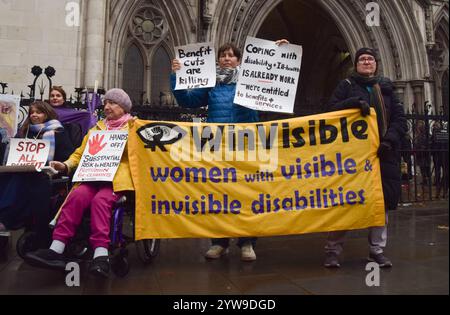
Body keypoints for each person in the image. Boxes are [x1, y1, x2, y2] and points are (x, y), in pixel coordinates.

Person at [170, 39, 289, 262]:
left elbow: (274, 77)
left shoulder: (251, 78)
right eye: (223, 55)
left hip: (246, 142)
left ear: (239, 60)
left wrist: (276, 50)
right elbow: (188, 100)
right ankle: (219, 243)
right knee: (219, 193)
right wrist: (176, 75)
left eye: (231, 55)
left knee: (247, 192)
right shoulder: (211, 83)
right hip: (219, 144)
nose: (226, 58)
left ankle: (247, 243)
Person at [25, 89, 135, 278]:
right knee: (76, 196)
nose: (107, 107)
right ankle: (57, 247)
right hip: (92, 176)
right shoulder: (97, 129)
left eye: (112, 103)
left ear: (123, 107)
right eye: (106, 102)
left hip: (116, 181)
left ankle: (101, 254)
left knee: (100, 201)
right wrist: (65, 165)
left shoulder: (134, 128)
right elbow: (79, 153)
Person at [323, 47, 407, 268]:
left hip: (383, 154)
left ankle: (376, 250)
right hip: (353, 156)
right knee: (345, 202)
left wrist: (388, 141)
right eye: (362, 59)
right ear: (356, 64)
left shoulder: (387, 89)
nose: (367, 62)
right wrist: (350, 104)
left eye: (370, 59)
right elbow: (330, 111)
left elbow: (400, 120)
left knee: (381, 204)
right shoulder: (347, 86)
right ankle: (333, 250)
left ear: (376, 64)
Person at [0, 101, 76, 243]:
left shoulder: (58, 131)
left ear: (47, 114)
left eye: (38, 112)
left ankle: (6, 219)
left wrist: (54, 165)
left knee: (21, 180)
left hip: (46, 174)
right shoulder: (24, 130)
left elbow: (68, 157)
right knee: (6, 176)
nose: (34, 115)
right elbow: (12, 153)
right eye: (32, 112)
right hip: (21, 170)